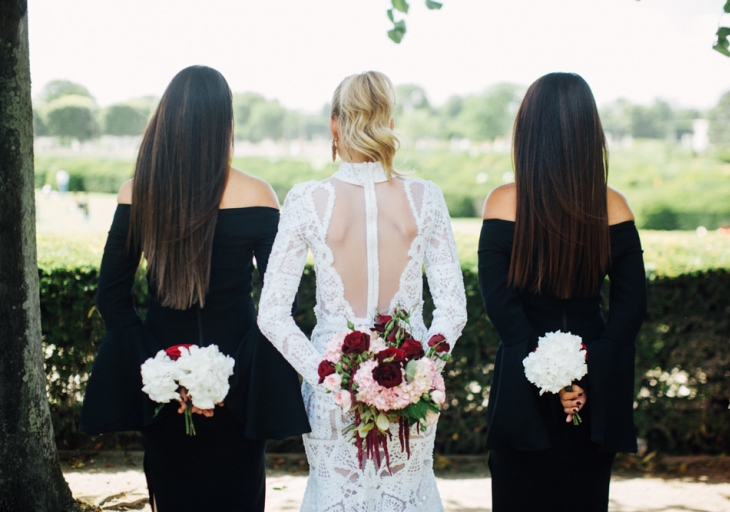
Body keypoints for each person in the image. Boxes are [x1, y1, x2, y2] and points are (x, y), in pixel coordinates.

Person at [80, 65, 309, 512]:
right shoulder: (260, 194)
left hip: (160, 377)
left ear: (168, 118)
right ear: (225, 122)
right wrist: (236, 373)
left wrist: (161, 366)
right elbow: (283, 300)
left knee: (174, 495)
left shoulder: (138, 192)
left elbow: (112, 295)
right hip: (240, 381)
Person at [257, 71, 467, 511]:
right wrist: (420, 373)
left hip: (333, 392)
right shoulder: (425, 197)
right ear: (388, 120)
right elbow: (453, 309)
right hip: (412, 391)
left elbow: (272, 314)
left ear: (335, 124)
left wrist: (326, 376)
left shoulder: (306, 199)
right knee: (406, 498)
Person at [478, 72, 647, 512]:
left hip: (521, 380)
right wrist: (591, 371)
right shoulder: (614, 206)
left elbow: (499, 302)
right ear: (590, 132)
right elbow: (631, 306)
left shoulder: (502, 202)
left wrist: (542, 366)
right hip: (593, 392)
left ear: (528, 131)